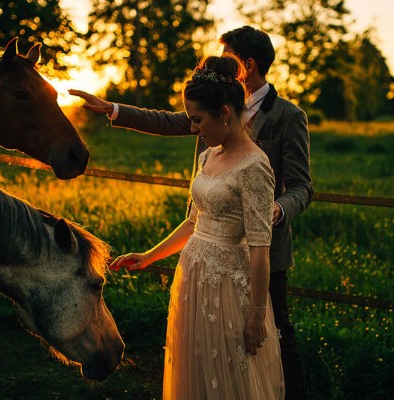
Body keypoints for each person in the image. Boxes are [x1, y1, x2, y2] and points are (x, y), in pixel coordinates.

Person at [69, 25, 312, 400]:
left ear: (247, 64)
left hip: (261, 253)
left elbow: (301, 186)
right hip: (202, 260)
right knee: (204, 355)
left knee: (273, 338)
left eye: (229, 58)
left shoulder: (286, 116)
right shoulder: (209, 113)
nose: (195, 128)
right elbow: (168, 121)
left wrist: (272, 210)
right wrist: (113, 109)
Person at [113, 54, 284, 399]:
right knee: (196, 369)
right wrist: (149, 256)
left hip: (228, 287)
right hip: (192, 276)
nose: (193, 129)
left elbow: (260, 249)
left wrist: (256, 315)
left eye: (197, 120)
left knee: (231, 374)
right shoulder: (208, 156)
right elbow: (194, 222)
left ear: (223, 113)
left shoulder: (255, 166)